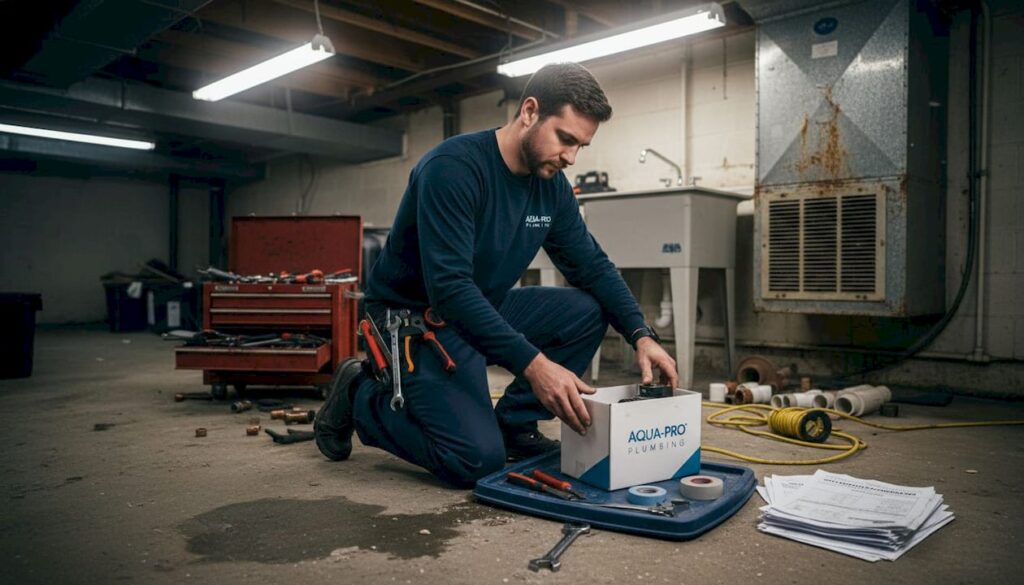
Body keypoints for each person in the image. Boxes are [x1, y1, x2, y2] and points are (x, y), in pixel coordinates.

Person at [315, 62, 678, 487]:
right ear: (529, 111)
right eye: (565, 139)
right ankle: (359, 395)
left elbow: (592, 266)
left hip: (478, 305)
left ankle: (514, 425)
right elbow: (449, 290)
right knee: (473, 460)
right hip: (413, 317)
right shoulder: (452, 169)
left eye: (581, 146)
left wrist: (641, 333)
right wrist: (534, 365)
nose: (571, 158)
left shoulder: (552, 187)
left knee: (586, 310)